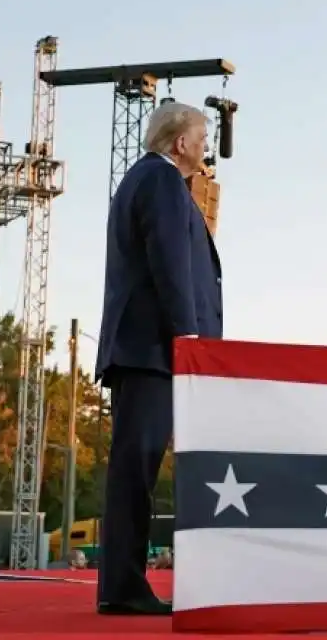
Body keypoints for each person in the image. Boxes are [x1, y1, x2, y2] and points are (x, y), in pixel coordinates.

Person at [94, 101, 224, 616]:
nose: (206, 144)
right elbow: (170, 262)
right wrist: (189, 335)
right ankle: (123, 588)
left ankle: (119, 584)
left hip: (145, 347)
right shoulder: (162, 182)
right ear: (180, 143)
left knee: (134, 468)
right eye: (202, 134)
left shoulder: (146, 180)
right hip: (153, 349)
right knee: (135, 468)